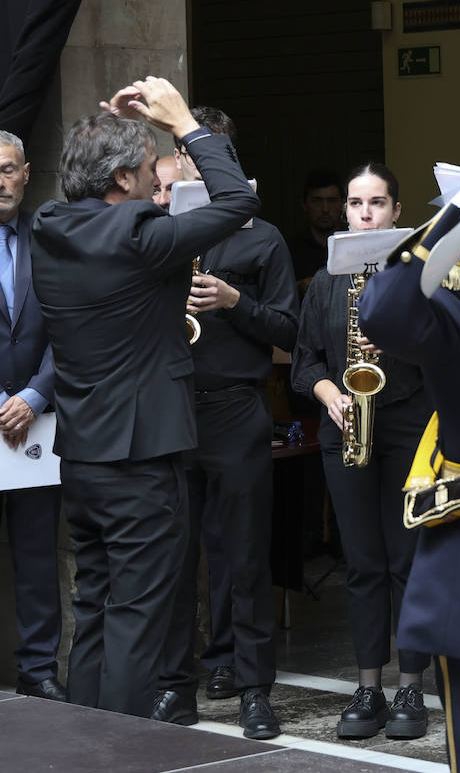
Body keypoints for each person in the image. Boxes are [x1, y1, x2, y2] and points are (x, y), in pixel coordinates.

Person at [30, 76, 258, 717]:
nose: (152, 180)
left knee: (97, 610)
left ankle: (83, 745)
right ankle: (119, 754)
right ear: (126, 183)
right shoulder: (138, 234)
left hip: (81, 458)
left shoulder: (48, 227)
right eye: (144, 170)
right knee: (137, 619)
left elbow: (80, 192)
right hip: (141, 458)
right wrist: (185, 121)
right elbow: (238, 199)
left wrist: (111, 133)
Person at [153, 106, 298, 738]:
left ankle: (252, 689)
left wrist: (237, 303)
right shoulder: (159, 232)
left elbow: (290, 329)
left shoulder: (261, 237)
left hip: (236, 405)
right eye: (180, 153)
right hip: (170, 406)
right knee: (172, 556)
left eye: (196, 151)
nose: (185, 163)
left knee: (243, 554)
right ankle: (174, 686)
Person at [292, 162, 432, 740]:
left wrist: (395, 334)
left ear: (397, 213)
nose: (364, 213)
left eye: (377, 203)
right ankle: (368, 685)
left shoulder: (419, 276)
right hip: (344, 425)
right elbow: (304, 365)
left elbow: (446, 351)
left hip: (405, 425)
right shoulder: (326, 281)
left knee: (407, 560)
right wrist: (330, 396)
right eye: (355, 204)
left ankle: (412, 687)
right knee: (363, 564)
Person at [0, 131, 63, 703]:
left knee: (39, 553)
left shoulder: (47, 241)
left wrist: (34, 396)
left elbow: (67, 324)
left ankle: (39, 669)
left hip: (36, 424)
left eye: (7, 169)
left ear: (25, 174)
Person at [289, 168, 344, 295]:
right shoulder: (290, 248)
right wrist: (299, 287)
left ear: (342, 204)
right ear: (304, 204)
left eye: (331, 201)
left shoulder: (353, 242)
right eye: (317, 201)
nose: (325, 209)